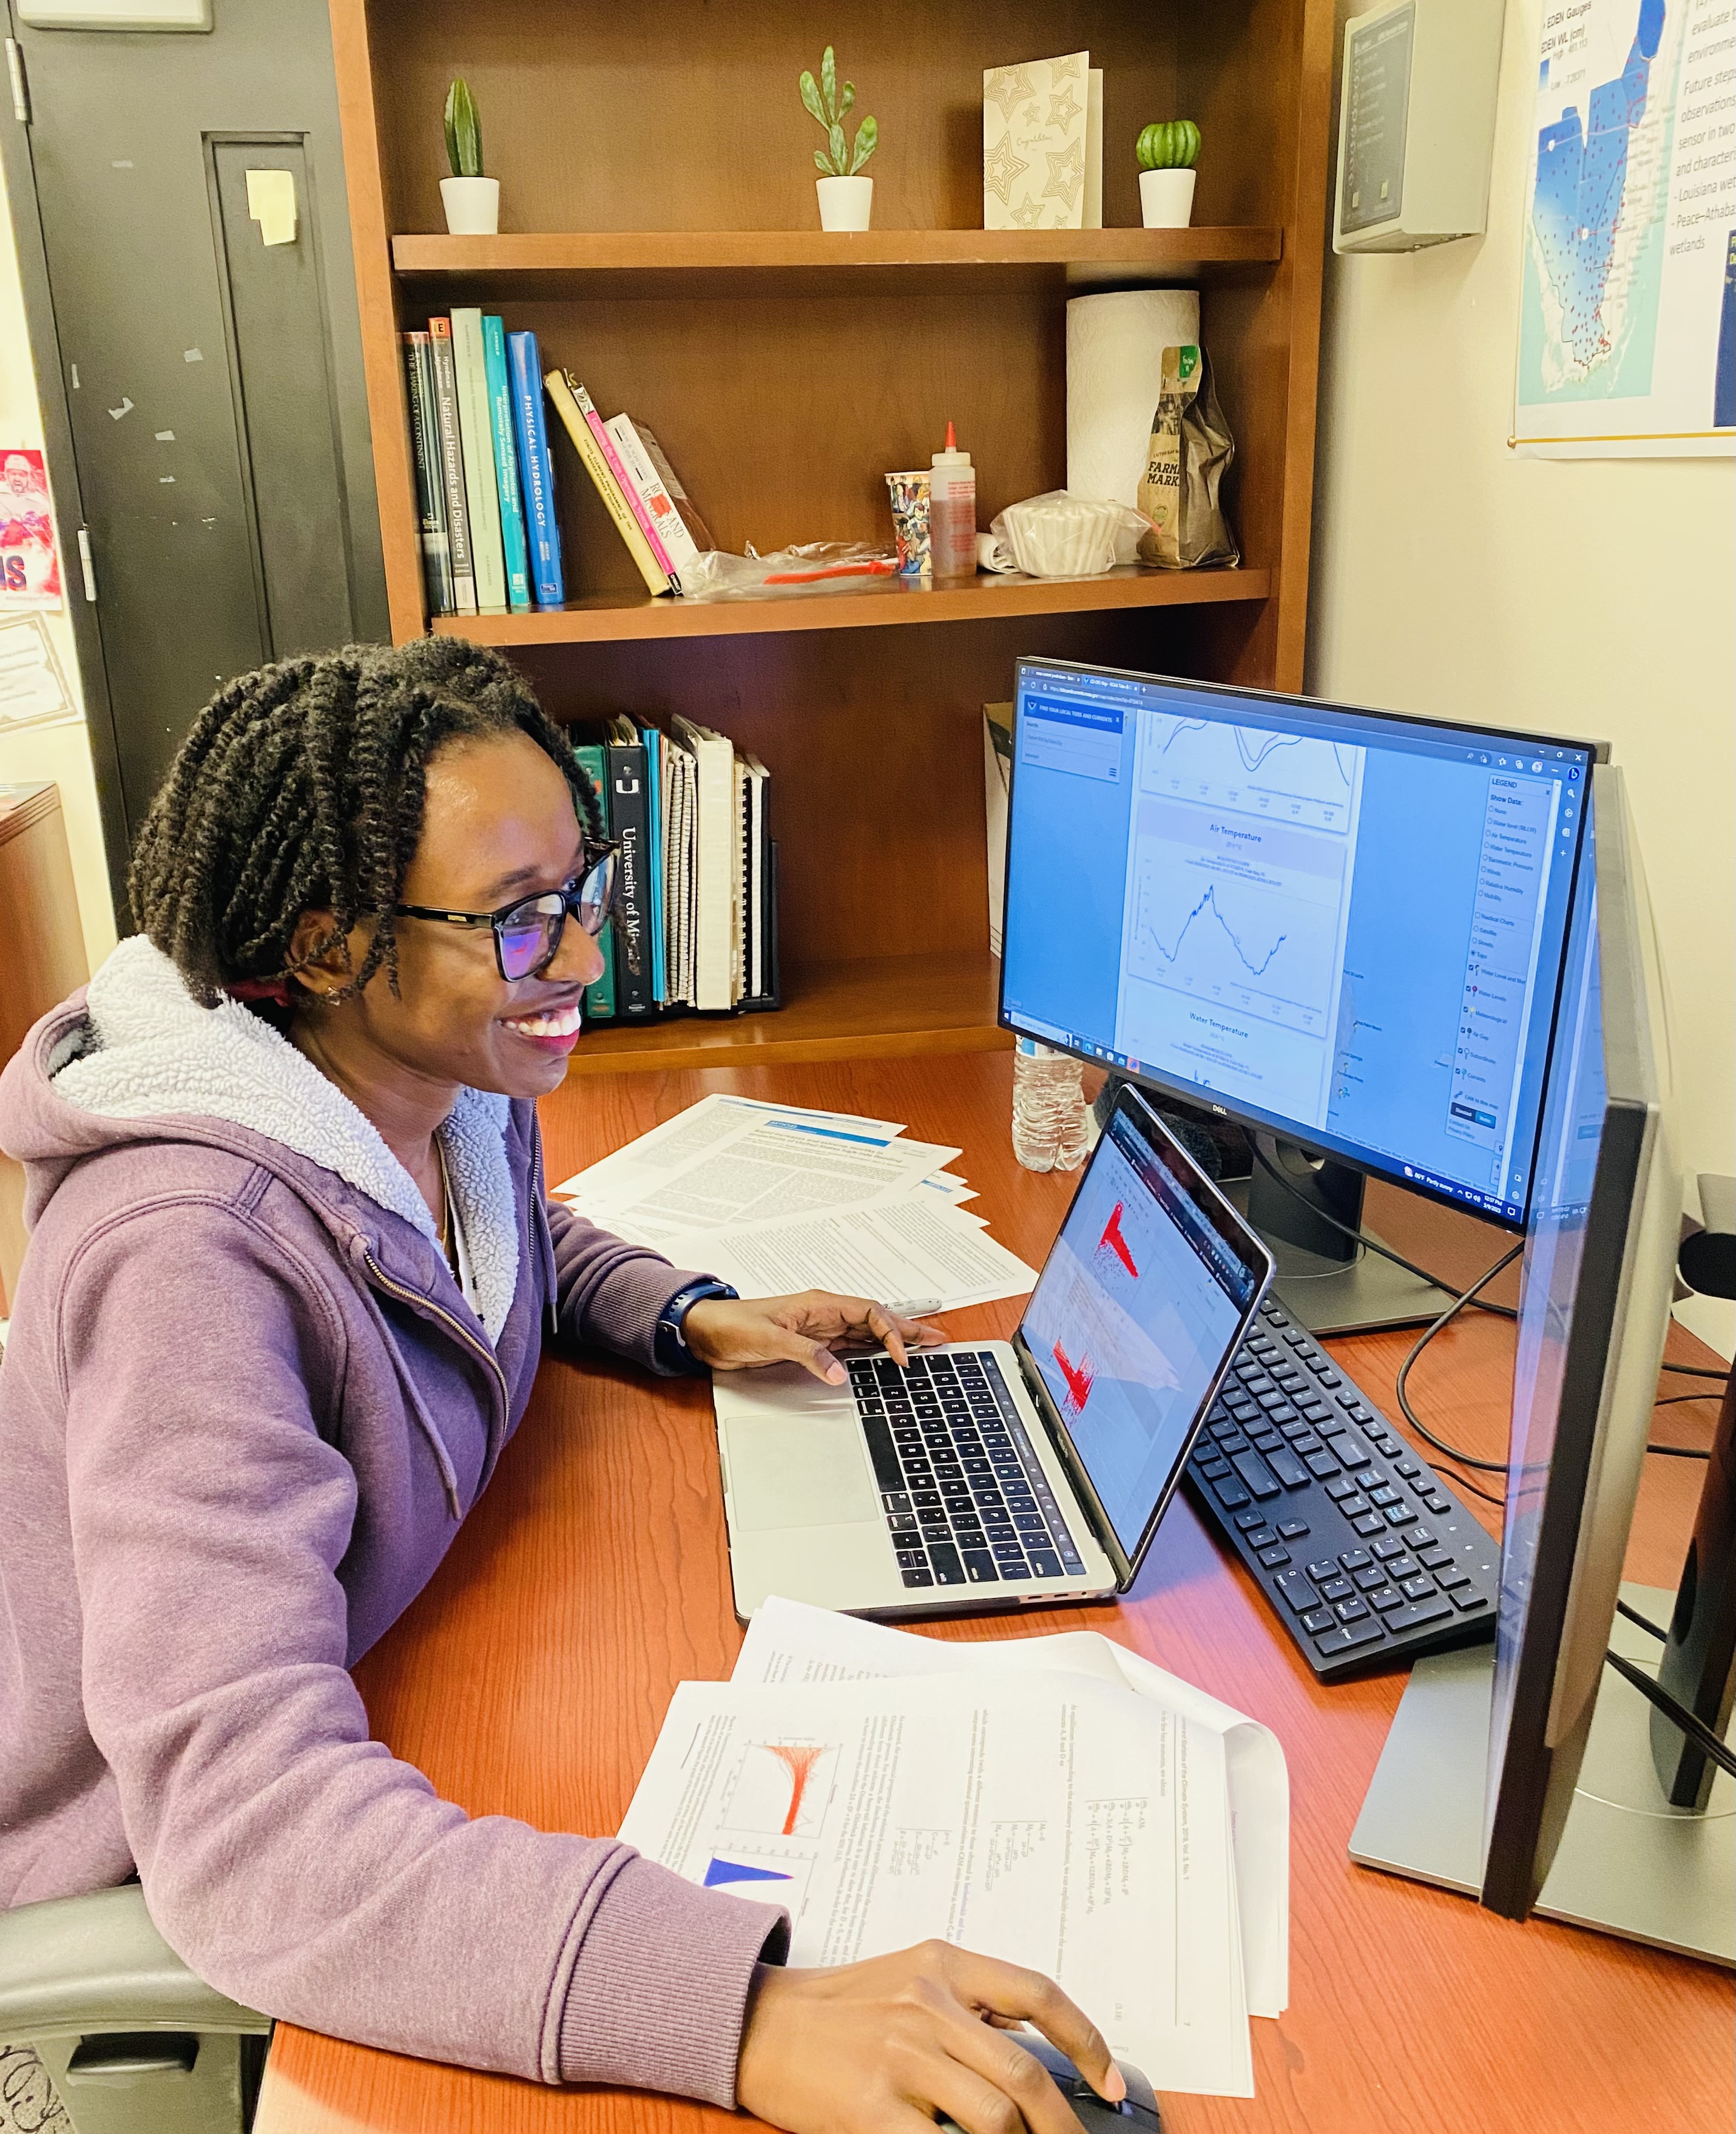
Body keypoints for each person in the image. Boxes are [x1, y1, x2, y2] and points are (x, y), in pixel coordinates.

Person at [0, 639, 1121, 2134]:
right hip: (129, 1860)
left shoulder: (430, 1085)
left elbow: (491, 1250)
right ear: (326, 947)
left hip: (412, 1660)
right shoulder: (185, 1259)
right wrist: (741, 2010)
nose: (584, 959)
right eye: (522, 921)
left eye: (584, 892)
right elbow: (244, 1823)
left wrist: (686, 1315)